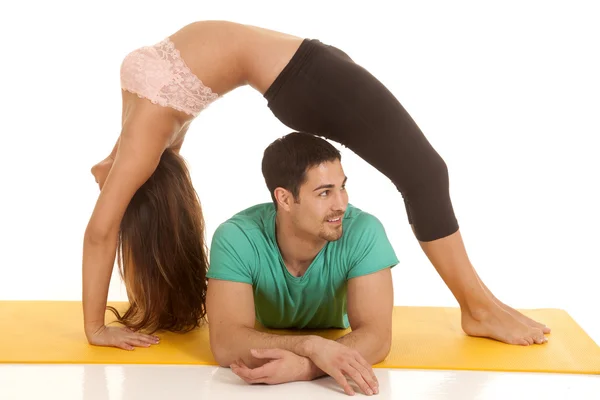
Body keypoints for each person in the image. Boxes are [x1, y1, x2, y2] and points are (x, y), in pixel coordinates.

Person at [86, 20, 549, 353]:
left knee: (424, 171)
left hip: (303, 66)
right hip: (300, 75)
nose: (111, 184)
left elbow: (108, 179)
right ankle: (478, 308)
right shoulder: (145, 142)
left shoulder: (140, 145)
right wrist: (94, 328)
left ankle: (480, 305)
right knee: (426, 174)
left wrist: (115, 183)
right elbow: (99, 233)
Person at [207, 132, 397, 395]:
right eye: (324, 193)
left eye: (342, 187)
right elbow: (225, 343)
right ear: (284, 199)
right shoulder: (236, 237)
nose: (341, 204)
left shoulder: (364, 230)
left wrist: (305, 368)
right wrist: (311, 346)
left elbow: (377, 339)